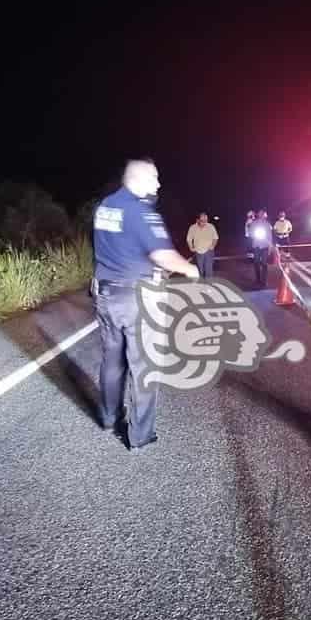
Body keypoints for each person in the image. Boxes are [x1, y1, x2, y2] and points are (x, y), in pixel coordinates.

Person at [92, 159, 200, 450]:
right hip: (137, 298)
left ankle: (108, 417)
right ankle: (140, 435)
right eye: (155, 178)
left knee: (112, 361)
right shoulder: (141, 212)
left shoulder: (104, 208)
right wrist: (191, 270)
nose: (158, 184)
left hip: (105, 295)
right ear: (138, 179)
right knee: (144, 367)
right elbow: (163, 256)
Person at [186, 211, 219, 278]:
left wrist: (213, 245)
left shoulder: (211, 226)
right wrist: (191, 247)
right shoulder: (192, 227)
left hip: (209, 251)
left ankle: (208, 285)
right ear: (197, 220)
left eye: (206, 220)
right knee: (199, 271)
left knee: (208, 270)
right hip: (198, 252)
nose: (205, 222)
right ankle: (201, 285)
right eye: (202, 220)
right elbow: (189, 239)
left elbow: (216, 238)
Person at [250, 210, 273, 287]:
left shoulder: (267, 224)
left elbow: (270, 236)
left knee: (264, 263)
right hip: (256, 246)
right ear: (258, 215)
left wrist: (270, 247)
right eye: (259, 214)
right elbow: (250, 234)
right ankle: (258, 279)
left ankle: (264, 281)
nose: (261, 215)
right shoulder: (254, 223)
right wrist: (254, 234)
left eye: (262, 214)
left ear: (264, 215)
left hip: (265, 246)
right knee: (256, 262)